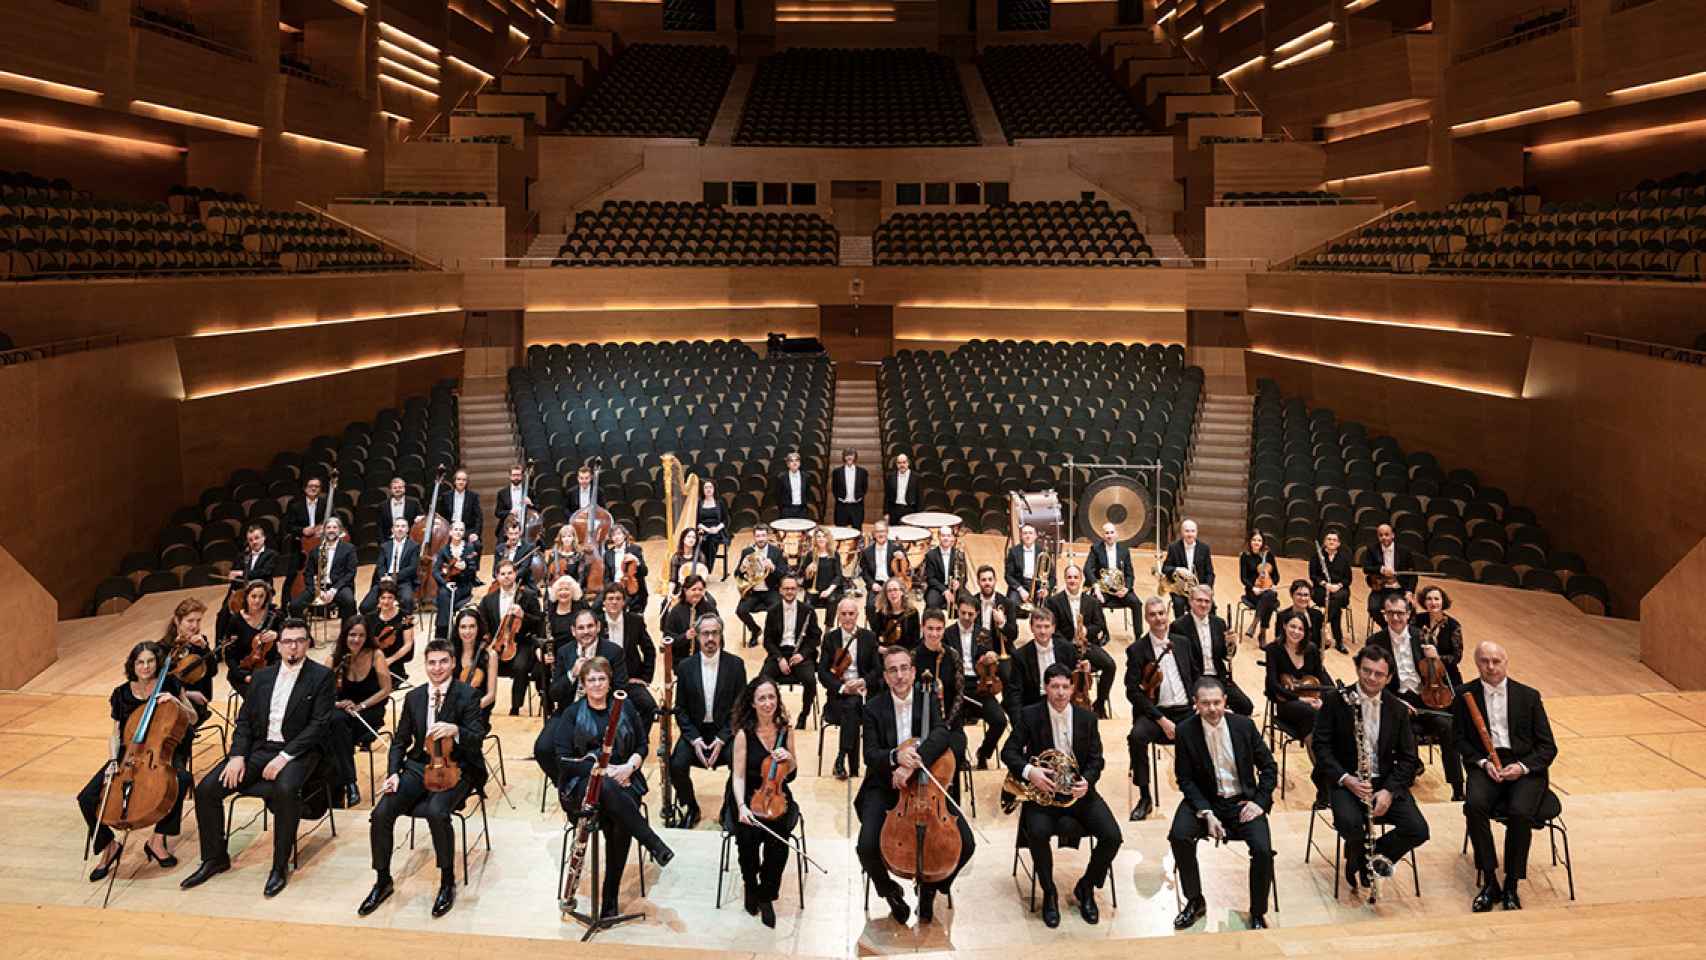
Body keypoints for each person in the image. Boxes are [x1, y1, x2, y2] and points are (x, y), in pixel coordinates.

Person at [182, 620, 333, 898]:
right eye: (288, 641)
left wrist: (286, 757)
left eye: (299, 640)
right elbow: (245, 722)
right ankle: (215, 857)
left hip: (299, 751)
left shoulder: (321, 676)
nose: (293, 646)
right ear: (279, 645)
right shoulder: (263, 676)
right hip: (260, 749)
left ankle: (279, 866)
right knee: (207, 789)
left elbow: (319, 725)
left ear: (308, 643)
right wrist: (238, 755)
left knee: (286, 790)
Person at [359, 639, 488, 919]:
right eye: (432, 662)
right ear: (426, 665)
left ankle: (446, 881)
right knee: (381, 813)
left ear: (453, 663)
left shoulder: (467, 695)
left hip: (459, 766)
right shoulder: (415, 697)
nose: (438, 668)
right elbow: (400, 741)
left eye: (443, 661)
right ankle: (382, 880)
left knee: (436, 811)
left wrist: (456, 730)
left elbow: (477, 740)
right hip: (419, 765)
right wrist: (393, 772)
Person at [856, 645, 975, 925]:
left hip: (924, 785)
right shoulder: (873, 708)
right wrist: (895, 757)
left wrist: (911, 763)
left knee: (967, 845)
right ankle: (890, 892)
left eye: (904, 668)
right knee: (866, 847)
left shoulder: (928, 698)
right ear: (885, 677)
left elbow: (941, 733)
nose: (899, 675)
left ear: (912, 671)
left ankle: (931, 888)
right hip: (886, 788)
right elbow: (870, 755)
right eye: (893, 670)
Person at [551, 656, 675, 919]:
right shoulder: (572, 714)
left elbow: (642, 746)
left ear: (609, 682)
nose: (597, 684)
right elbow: (562, 760)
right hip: (582, 788)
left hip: (624, 777)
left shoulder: (625, 707)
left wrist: (629, 767)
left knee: (619, 823)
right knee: (606, 787)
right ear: (583, 685)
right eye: (591, 679)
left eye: (602, 679)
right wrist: (601, 771)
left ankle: (610, 896)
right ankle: (652, 842)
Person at [1002, 662, 1123, 927]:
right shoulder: (1030, 715)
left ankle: (1086, 887)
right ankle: (1049, 891)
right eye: (1054, 686)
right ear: (1045, 688)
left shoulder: (1087, 718)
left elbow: (1096, 760)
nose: (1060, 692)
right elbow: (1008, 753)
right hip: (1043, 794)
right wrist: (1031, 771)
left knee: (1112, 836)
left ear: (1072, 688)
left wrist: (1087, 782)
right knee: (1037, 833)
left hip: (1078, 793)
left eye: (1065, 687)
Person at [1310, 645, 1429, 895]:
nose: (1371, 678)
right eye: (1366, 671)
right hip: (1346, 779)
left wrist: (1388, 791)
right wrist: (1346, 779)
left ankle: (1366, 858)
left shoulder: (1397, 709)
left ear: (1388, 678)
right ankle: (1361, 851)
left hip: (1383, 782)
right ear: (1357, 668)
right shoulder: (1336, 701)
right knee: (1351, 824)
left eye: (1378, 674)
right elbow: (1320, 747)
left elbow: (1409, 758)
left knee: (1418, 829)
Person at [1168, 676, 1278, 930]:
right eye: (1205, 703)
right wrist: (1205, 812)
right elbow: (1184, 778)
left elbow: (1269, 767)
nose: (1212, 709)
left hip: (1243, 802)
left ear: (1225, 701)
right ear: (1195, 704)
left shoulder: (1244, 726)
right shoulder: (1185, 731)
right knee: (1179, 836)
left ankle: (1258, 911)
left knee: (1262, 850)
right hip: (1206, 800)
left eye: (1217, 702)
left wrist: (1259, 803)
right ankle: (1195, 901)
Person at [78, 641, 194, 881]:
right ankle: (109, 846)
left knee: (181, 779)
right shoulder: (121, 694)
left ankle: (158, 840)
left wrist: (175, 702)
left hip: (163, 752)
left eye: (150, 661)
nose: (146, 666)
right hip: (128, 755)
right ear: (133, 665)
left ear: (157, 663)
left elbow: (191, 717)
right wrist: (112, 760)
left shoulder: (170, 684)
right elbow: (116, 733)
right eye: (140, 662)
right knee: (87, 797)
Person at [1455, 641, 1557, 912]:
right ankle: (1490, 881)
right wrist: (1482, 761)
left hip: (1523, 767)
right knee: (1474, 806)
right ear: (1476, 664)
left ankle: (1512, 883)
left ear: (1506, 662)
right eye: (1485, 661)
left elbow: (1548, 747)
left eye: (1496, 661)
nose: (1491, 667)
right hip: (1487, 764)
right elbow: (1459, 740)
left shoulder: (1529, 696)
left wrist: (1522, 767)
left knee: (1520, 811)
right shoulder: (1465, 695)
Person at [1367, 593, 1464, 799]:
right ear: (1384, 615)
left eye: (1400, 613)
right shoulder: (1375, 642)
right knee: (1406, 730)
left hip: (1425, 698)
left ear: (1408, 614)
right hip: (1395, 700)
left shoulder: (1422, 636)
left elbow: (1438, 672)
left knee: (1447, 727)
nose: (1395, 618)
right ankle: (1405, 777)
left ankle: (1457, 787)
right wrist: (1397, 702)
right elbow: (1371, 682)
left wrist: (1435, 658)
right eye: (1390, 613)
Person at [724, 677, 800, 927]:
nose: (768, 703)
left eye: (772, 697)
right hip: (746, 794)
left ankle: (766, 894)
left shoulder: (786, 731)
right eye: (762, 699)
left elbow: (792, 772)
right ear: (753, 703)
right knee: (748, 838)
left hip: (777, 794)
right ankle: (750, 883)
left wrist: (789, 759)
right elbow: (738, 776)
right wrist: (742, 807)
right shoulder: (744, 735)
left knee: (779, 844)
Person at [669, 613, 747, 827]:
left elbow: (740, 709)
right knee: (676, 764)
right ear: (697, 637)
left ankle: (728, 809)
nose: (710, 638)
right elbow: (681, 710)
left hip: (726, 731)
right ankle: (691, 807)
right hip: (695, 732)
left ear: (721, 635)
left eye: (715, 633)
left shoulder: (736, 665)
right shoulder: (685, 667)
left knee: (741, 763)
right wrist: (694, 740)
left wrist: (722, 739)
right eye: (705, 633)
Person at [1126, 595, 1200, 821]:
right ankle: (1145, 796)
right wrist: (1161, 720)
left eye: (1161, 613)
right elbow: (1133, 692)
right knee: (1137, 737)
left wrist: (1198, 700)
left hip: (1186, 710)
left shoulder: (1183, 642)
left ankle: (1200, 794)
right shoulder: (1137, 650)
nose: (1158, 619)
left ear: (1167, 615)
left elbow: (1196, 675)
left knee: (1211, 730)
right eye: (1153, 615)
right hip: (1155, 714)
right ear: (1146, 619)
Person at [536, 608, 628, 783]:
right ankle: (569, 786)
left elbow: (621, 688)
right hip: (568, 711)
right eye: (581, 628)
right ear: (573, 631)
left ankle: (594, 786)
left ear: (598, 627)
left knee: (601, 750)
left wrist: (598, 689)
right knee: (543, 749)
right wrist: (572, 673)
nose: (586, 632)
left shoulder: (613, 652)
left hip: (601, 712)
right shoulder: (564, 652)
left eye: (590, 626)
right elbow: (554, 693)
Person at [325, 618, 392, 809]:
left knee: (333, 732)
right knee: (336, 723)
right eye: (352, 635)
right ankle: (348, 783)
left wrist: (361, 706)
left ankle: (342, 789)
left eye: (361, 635)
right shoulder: (334, 659)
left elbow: (385, 690)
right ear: (345, 635)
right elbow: (319, 692)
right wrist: (338, 703)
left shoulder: (375, 655)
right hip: (342, 712)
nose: (356, 639)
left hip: (369, 710)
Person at [818, 597, 879, 781]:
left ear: (857, 615)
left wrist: (862, 682)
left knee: (852, 707)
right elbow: (822, 673)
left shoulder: (869, 637)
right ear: (838, 615)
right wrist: (843, 687)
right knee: (851, 707)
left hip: (865, 695)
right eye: (843, 614)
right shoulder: (830, 638)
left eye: (851, 614)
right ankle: (845, 759)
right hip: (839, 696)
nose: (847, 618)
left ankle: (841, 757)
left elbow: (877, 670)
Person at [1169, 584, 1253, 716]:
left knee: (1245, 706)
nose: (1203, 604)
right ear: (1191, 601)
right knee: (1199, 710)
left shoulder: (1219, 623)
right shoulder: (1179, 626)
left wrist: (1231, 645)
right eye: (1199, 600)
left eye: (1207, 601)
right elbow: (1180, 662)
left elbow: (1227, 656)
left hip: (1219, 677)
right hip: (1195, 679)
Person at [946, 596, 1007, 769]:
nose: (966, 617)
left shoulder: (983, 634)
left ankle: (984, 752)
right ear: (958, 610)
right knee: (953, 722)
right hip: (956, 687)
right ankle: (960, 758)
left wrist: (991, 657)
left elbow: (990, 659)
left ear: (977, 613)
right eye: (963, 613)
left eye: (970, 614)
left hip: (979, 686)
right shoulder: (948, 633)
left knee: (999, 720)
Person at [1046, 564, 1115, 717]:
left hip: (1087, 646)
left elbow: (1099, 625)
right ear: (1065, 579)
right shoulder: (1054, 602)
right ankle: (1065, 704)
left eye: (1076, 577)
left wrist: (1086, 631)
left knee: (1110, 665)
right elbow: (1052, 630)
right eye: (1069, 577)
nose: (1072, 580)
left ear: (1081, 580)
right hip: (1065, 648)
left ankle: (1099, 704)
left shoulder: (1092, 602)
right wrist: (1068, 644)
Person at [478, 558, 544, 716]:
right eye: (502, 574)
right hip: (496, 644)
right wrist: (487, 642)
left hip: (521, 642)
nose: (506, 576)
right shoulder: (488, 600)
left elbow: (539, 622)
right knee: (481, 663)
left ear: (515, 574)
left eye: (510, 573)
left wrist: (524, 615)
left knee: (520, 666)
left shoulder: (527, 596)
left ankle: (515, 707)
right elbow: (482, 624)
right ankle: (484, 704)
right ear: (497, 577)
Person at [913, 610, 966, 799]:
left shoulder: (952, 656)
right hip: (921, 725)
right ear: (922, 628)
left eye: (939, 629)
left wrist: (946, 725)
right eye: (930, 629)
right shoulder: (913, 656)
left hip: (951, 724)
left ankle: (951, 806)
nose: (934, 634)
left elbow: (959, 695)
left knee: (953, 753)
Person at [761, 574, 821, 728]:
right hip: (779, 653)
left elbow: (815, 638)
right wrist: (779, 658)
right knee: (762, 681)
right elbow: (767, 640)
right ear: (780, 590)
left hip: (800, 654)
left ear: (797, 590)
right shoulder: (773, 611)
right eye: (786, 588)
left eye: (793, 589)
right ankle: (775, 715)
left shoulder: (808, 611)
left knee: (810, 681)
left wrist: (802, 655)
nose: (789, 591)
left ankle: (804, 715)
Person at [598, 584, 657, 738]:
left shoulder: (635, 621)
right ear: (603, 602)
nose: (614, 602)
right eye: (610, 599)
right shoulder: (596, 623)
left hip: (631, 680)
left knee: (649, 707)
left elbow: (649, 650)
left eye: (618, 598)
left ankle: (638, 744)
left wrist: (645, 678)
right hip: (602, 682)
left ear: (624, 602)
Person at [1267, 609, 1332, 740]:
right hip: (1286, 703)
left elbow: (1321, 677)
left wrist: (1323, 700)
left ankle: (1318, 749)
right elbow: (1272, 684)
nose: (1296, 632)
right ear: (1284, 626)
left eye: (1301, 629)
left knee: (1326, 715)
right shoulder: (1274, 649)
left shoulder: (1311, 649)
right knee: (1314, 715)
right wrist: (1300, 699)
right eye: (1292, 626)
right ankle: (1319, 751)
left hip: (1311, 701)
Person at [1007, 606, 1078, 722]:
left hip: (1062, 702)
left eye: (1046, 626)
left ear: (1053, 628)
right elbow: (1015, 691)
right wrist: (1019, 722)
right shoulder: (1020, 656)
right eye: (1038, 627)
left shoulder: (1067, 649)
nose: (1043, 631)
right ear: (1031, 628)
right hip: (1035, 704)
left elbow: (1074, 680)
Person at [288, 517, 357, 624]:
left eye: (335, 527)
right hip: (318, 587)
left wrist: (333, 590)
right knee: (294, 605)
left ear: (340, 530)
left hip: (339, 586)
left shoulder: (349, 548)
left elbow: (350, 573)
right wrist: (316, 590)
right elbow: (308, 573)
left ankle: (345, 633)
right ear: (324, 531)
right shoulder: (315, 551)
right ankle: (303, 633)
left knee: (349, 602)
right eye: (328, 527)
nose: (331, 530)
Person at [158, 598, 215, 719]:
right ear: (177, 621)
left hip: (197, 703)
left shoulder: (200, 642)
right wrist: (186, 694)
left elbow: (212, 671)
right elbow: (159, 682)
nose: (195, 626)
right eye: (190, 621)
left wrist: (204, 649)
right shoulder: (163, 647)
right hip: (172, 697)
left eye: (198, 621)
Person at [222, 580, 280, 697]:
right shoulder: (236, 621)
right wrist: (244, 676)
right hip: (243, 670)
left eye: (261, 596)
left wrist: (278, 635)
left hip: (270, 669)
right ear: (246, 597)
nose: (257, 600)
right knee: (256, 696)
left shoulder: (274, 616)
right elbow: (229, 655)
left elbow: (292, 638)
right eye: (253, 596)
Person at [220, 525, 278, 638]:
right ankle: (221, 644)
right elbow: (235, 573)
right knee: (223, 614)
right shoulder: (242, 556)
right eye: (250, 540)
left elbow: (265, 573)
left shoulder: (271, 554)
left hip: (261, 591)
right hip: (241, 592)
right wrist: (232, 579)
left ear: (264, 538)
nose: (254, 542)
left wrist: (242, 573)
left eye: (256, 538)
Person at [282, 475, 328, 606]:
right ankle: (286, 606)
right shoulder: (295, 504)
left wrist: (323, 527)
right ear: (305, 488)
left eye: (316, 486)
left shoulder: (325, 503)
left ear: (320, 489)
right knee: (292, 575)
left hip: (319, 545)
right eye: (310, 486)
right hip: (300, 547)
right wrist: (302, 530)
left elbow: (335, 519)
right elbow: (288, 526)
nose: (313, 488)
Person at [734, 525, 784, 647]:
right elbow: (737, 574)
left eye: (763, 535)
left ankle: (770, 636)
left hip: (771, 590)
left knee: (777, 610)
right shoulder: (747, 552)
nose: (761, 539)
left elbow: (784, 573)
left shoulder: (775, 552)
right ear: (754, 537)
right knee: (740, 611)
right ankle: (755, 630)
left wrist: (773, 568)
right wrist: (742, 568)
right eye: (758, 536)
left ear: (767, 536)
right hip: (753, 591)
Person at [432, 521, 479, 642]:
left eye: (461, 530)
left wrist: (466, 568)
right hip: (448, 585)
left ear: (463, 533)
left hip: (463, 586)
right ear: (450, 532)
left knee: (443, 598)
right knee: (444, 594)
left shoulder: (469, 548)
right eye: (456, 529)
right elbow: (435, 571)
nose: (458, 532)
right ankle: (448, 632)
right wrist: (445, 583)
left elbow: (473, 571)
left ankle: (441, 634)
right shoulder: (444, 550)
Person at [363, 517, 421, 616]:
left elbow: (412, 567)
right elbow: (380, 565)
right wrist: (385, 577)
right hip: (385, 579)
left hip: (403, 580)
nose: (400, 529)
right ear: (392, 530)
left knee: (407, 601)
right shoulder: (385, 546)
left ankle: (401, 626)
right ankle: (378, 622)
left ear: (407, 529)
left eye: (403, 526)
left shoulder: (413, 546)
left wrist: (394, 578)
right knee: (365, 606)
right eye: (397, 526)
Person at [1083, 521, 1138, 622]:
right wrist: (1096, 586)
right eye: (1107, 533)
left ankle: (1138, 636)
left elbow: (1130, 574)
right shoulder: (1096, 549)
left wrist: (1126, 588)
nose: (1109, 536)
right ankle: (1104, 633)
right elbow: (1087, 569)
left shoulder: (1124, 550)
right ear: (1103, 535)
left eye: (1112, 532)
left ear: (1116, 534)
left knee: (1137, 603)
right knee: (1095, 604)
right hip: (1103, 589)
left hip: (1120, 589)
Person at [1362, 523, 1418, 621]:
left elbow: (1413, 575)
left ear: (1393, 535)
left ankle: (1399, 631)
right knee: (1373, 608)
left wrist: (1409, 592)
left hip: (1400, 589)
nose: (1384, 537)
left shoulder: (1404, 551)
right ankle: (1388, 631)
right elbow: (1366, 568)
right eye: (1381, 535)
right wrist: (1381, 569)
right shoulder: (1372, 550)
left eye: (1387, 534)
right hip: (1381, 589)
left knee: (1410, 609)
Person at [1415, 585, 1466, 689]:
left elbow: (1457, 657)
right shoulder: (1417, 620)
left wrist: (1437, 658)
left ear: (1443, 602)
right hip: (1421, 673)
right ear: (1424, 602)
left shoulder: (1453, 625)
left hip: (1446, 673)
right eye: (1429, 599)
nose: (1433, 603)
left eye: (1436, 599)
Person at [1309, 531, 1353, 652]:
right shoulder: (1317, 556)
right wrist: (1325, 584)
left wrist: (1337, 586)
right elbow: (1313, 575)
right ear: (1325, 542)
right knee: (1336, 610)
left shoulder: (1344, 558)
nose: (1331, 542)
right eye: (1329, 539)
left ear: (1338, 543)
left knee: (1336, 599)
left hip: (1340, 590)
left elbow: (1348, 579)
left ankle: (1322, 624)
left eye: (1334, 540)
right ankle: (1339, 641)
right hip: (1321, 590)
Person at [1161, 519, 1214, 618]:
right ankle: (1180, 630)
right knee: (1178, 604)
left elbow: (1210, 573)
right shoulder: (1174, 547)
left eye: (1193, 531)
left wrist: (1207, 589)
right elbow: (1165, 568)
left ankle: (1205, 630)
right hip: (1180, 590)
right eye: (1187, 531)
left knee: (1211, 606)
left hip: (1199, 589)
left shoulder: (1204, 548)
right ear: (1182, 532)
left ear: (1196, 532)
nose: (1190, 534)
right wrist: (1177, 569)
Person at [661, 574, 717, 661]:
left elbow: (719, 636)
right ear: (685, 590)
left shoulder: (710, 609)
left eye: (701, 590)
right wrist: (685, 636)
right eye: (693, 589)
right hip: (682, 659)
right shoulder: (676, 611)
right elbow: (668, 638)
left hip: (706, 658)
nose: (697, 593)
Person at [1238, 531, 1280, 646]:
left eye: (1259, 540)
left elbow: (1276, 575)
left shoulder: (1269, 555)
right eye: (1254, 540)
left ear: (1263, 542)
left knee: (1269, 595)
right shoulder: (1245, 556)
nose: (1257, 543)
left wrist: (1274, 584)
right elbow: (1243, 578)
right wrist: (1253, 588)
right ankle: (1262, 633)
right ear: (1250, 541)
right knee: (1270, 600)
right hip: (1253, 592)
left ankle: (1254, 624)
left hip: (1268, 589)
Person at [367, 584, 415, 686]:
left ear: (395, 599)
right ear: (378, 599)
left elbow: (408, 644)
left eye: (390, 598)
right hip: (375, 659)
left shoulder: (404, 617)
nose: (386, 601)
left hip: (394, 661)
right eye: (383, 598)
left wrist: (390, 660)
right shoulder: (370, 617)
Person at [969, 564, 1020, 656]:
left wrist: (1002, 623)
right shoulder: (971, 602)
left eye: (990, 579)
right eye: (983, 580)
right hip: (977, 648)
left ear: (995, 581)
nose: (987, 583)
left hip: (999, 648)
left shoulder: (1007, 603)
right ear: (978, 582)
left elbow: (1014, 635)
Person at [1004, 523, 1055, 610]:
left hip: (1038, 586)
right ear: (1021, 536)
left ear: (1035, 536)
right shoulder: (1013, 552)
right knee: (1012, 604)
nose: (1028, 536)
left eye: (1030, 533)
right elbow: (1008, 575)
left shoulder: (1043, 552)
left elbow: (1052, 577)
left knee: (1048, 606)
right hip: (1020, 584)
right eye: (1025, 533)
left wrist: (1046, 589)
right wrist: (1020, 590)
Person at [803, 527, 845, 627]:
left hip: (830, 589)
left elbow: (839, 576)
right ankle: (812, 628)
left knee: (832, 600)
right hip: (814, 589)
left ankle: (828, 628)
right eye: (818, 536)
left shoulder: (834, 555)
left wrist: (829, 590)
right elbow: (804, 577)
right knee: (807, 605)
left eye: (824, 536)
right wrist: (808, 570)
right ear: (815, 539)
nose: (821, 539)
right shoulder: (810, 555)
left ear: (828, 539)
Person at [604, 523, 648, 615]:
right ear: (611, 538)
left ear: (624, 535)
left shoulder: (635, 549)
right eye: (614, 535)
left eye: (619, 534)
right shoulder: (608, 554)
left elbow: (645, 572)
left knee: (632, 612)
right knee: (596, 606)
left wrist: (636, 560)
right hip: (615, 587)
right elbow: (606, 576)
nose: (616, 537)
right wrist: (610, 589)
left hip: (631, 587)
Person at [921, 527, 968, 613]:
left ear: (952, 538)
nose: (946, 538)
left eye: (948, 536)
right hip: (937, 588)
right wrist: (945, 591)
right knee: (932, 603)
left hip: (955, 588)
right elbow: (930, 579)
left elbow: (964, 577)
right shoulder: (931, 555)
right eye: (943, 536)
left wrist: (959, 583)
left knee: (969, 603)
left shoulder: (959, 554)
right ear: (938, 537)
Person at [435, 467, 483, 546]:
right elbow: (440, 515)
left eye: (464, 480)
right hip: (449, 529)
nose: (461, 482)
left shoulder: (473, 496)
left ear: (467, 482)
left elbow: (479, 518)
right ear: (454, 481)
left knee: (477, 544)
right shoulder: (446, 496)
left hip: (466, 530)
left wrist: (476, 533)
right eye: (459, 479)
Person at [870, 577, 921, 651]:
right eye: (889, 591)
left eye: (895, 589)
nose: (892, 593)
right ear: (886, 595)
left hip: (905, 653)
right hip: (886, 652)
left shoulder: (912, 613)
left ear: (902, 592)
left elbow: (915, 640)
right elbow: (875, 637)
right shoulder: (881, 613)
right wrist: (880, 649)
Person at [859, 520, 899, 613]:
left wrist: (902, 557)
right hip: (876, 584)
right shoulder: (867, 551)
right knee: (870, 608)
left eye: (883, 531)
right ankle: (877, 628)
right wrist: (872, 584)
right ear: (874, 534)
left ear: (887, 532)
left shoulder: (896, 547)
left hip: (893, 584)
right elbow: (865, 572)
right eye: (878, 531)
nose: (880, 534)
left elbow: (906, 567)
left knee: (897, 606)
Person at [664, 528, 705, 614]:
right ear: (683, 539)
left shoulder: (700, 556)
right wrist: (670, 592)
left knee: (711, 602)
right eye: (689, 536)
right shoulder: (677, 557)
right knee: (665, 605)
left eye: (694, 537)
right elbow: (673, 579)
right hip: (681, 588)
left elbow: (703, 578)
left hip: (697, 589)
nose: (691, 539)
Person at [1280, 578, 1326, 651]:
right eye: (1299, 594)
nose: (1303, 598)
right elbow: (1280, 644)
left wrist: (1326, 642)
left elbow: (1319, 644)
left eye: (1306, 595)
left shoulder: (1317, 614)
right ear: (1292, 595)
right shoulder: (1282, 616)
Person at [489, 518, 537, 587]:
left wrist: (509, 578)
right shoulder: (499, 549)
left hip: (521, 582)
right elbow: (495, 571)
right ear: (506, 534)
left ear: (520, 532)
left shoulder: (528, 548)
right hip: (502, 582)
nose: (514, 537)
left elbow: (523, 570)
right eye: (511, 534)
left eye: (516, 533)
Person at [831, 447, 868, 527]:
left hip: (857, 507)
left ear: (855, 457)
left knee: (857, 532)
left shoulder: (863, 472)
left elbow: (864, 488)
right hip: (842, 507)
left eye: (851, 455)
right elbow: (834, 489)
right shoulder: (836, 472)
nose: (849, 457)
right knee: (841, 532)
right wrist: (840, 498)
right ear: (844, 457)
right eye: (847, 455)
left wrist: (859, 497)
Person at [772, 450, 813, 521]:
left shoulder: (806, 476)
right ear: (787, 464)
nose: (795, 463)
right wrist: (783, 509)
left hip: (802, 510)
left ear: (800, 463)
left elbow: (808, 493)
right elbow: (778, 495)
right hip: (787, 510)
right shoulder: (781, 477)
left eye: (797, 460)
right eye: (791, 461)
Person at [696, 479, 727, 570]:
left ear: (714, 489)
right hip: (703, 529)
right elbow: (697, 522)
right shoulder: (699, 503)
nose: (708, 489)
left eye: (710, 487)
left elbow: (726, 520)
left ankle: (707, 567)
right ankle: (701, 567)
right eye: (706, 487)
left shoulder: (720, 502)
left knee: (711, 541)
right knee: (700, 540)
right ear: (703, 490)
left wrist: (717, 528)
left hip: (717, 530)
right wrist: (707, 529)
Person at [493, 464, 532, 536]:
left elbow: (539, 508)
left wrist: (531, 503)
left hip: (526, 525)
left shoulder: (529, 491)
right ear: (510, 476)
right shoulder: (502, 493)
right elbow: (498, 513)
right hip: (508, 526)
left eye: (518, 475)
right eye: (514, 475)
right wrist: (510, 512)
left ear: (522, 476)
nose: (516, 477)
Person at [884, 453, 920, 527]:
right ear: (896, 464)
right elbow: (887, 496)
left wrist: (919, 514)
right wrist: (886, 513)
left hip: (910, 510)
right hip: (894, 510)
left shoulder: (916, 477)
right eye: (899, 463)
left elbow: (920, 496)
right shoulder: (891, 476)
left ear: (908, 463)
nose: (902, 465)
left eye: (904, 462)